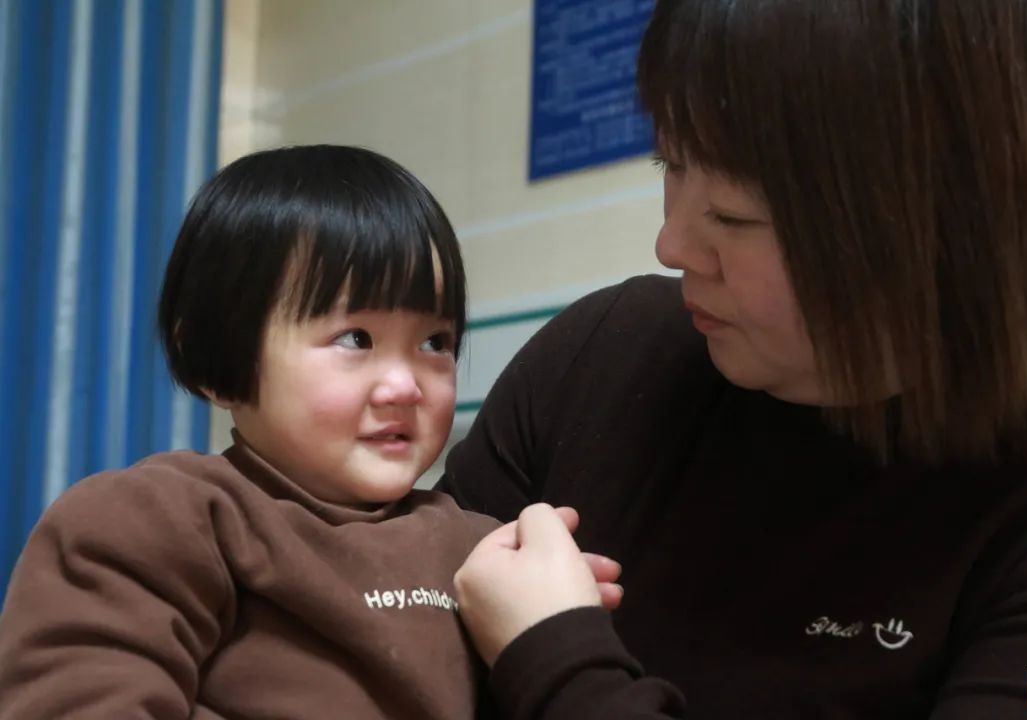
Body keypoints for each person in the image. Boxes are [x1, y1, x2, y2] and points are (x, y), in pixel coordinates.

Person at [442, 1, 1027, 718]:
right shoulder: (597, 358)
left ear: (942, 228)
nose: (672, 246)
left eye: (734, 216)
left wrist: (554, 658)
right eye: (670, 164)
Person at [0, 144, 619, 719]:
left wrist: (546, 624)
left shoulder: (476, 547)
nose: (406, 385)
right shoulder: (159, 518)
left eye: (436, 342)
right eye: (356, 339)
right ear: (220, 358)